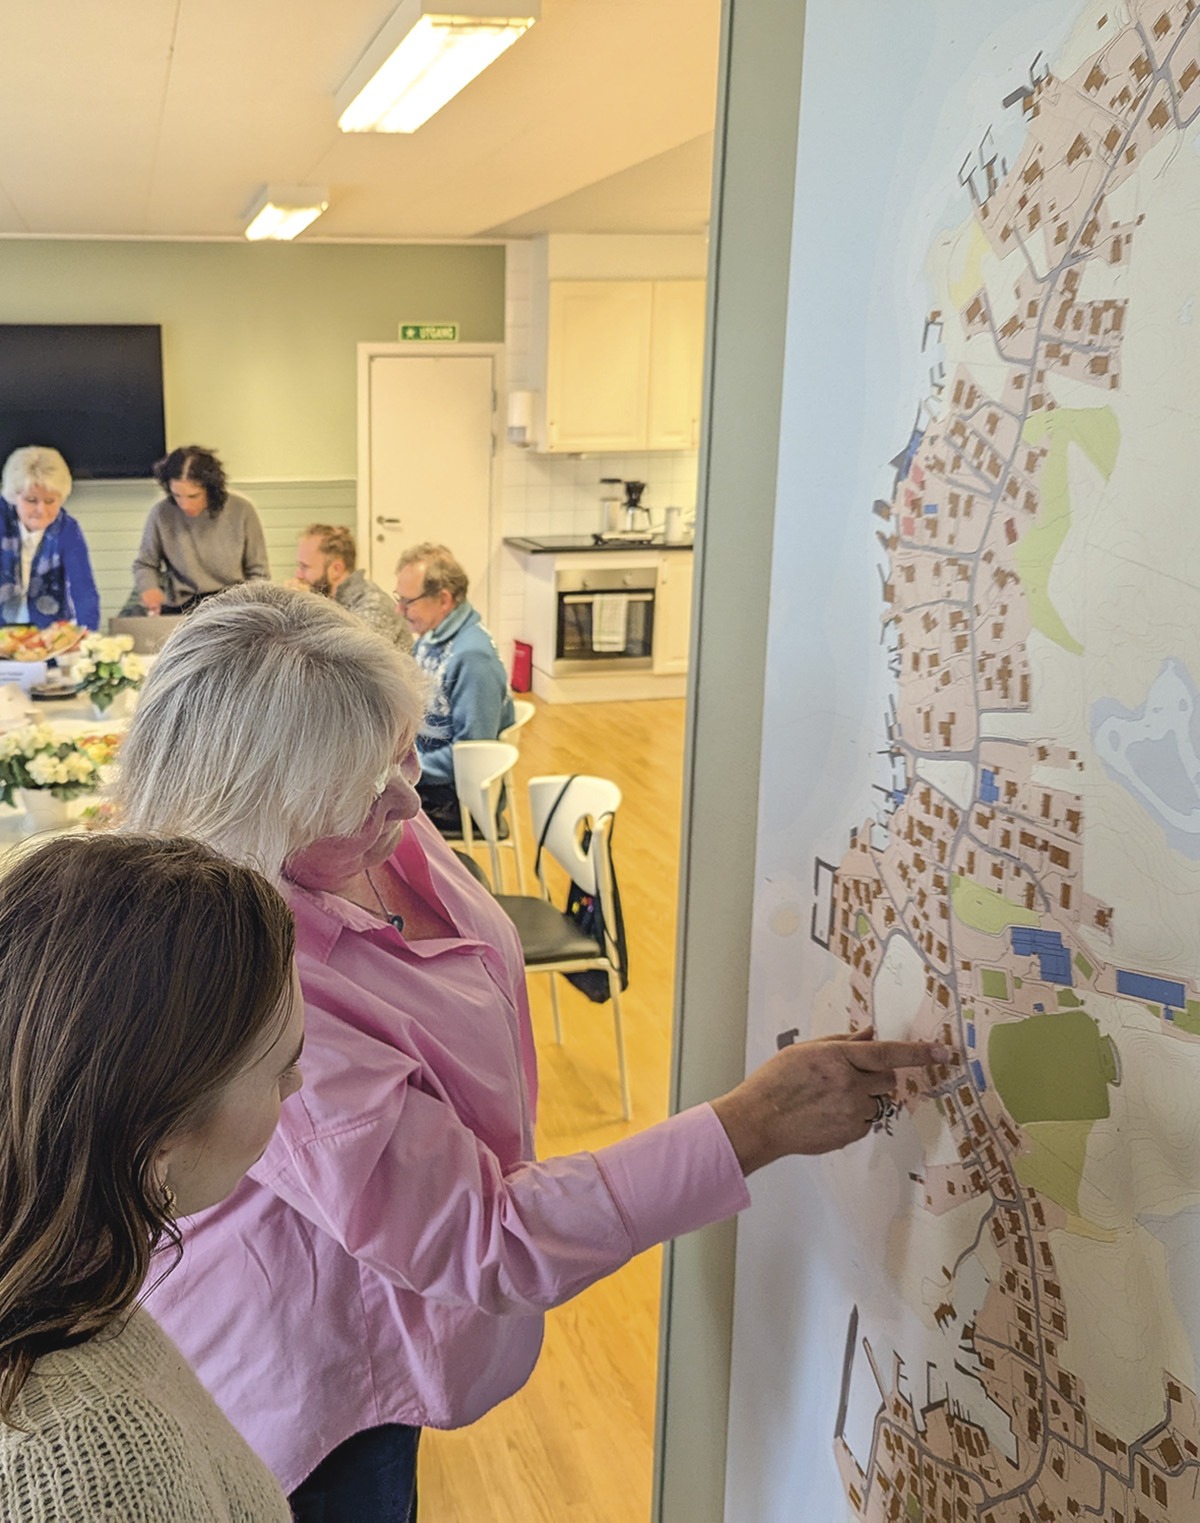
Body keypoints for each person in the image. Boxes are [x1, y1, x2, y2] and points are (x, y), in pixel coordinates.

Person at [115, 583, 949, 1521]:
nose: (406, 796)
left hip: (384, 1305)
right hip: (305, 1370)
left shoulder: (363, 817)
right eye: (365, 785)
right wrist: (753, 1124)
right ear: (258, 811)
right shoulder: (258, 978)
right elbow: (485, 1237)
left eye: (401, 753)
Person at [0, 831, 303, 1522]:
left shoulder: (73, 1285)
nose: (299, 1083)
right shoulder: (95, 1472)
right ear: (154, 1142)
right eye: (280, 1069)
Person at [395, 541, 515, 829]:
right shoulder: (432, 636)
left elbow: (472, 756)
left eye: (408, 601)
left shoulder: (472, 658)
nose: (399, 610)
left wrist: (400, 770)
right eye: (398, 598)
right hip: (425, 769)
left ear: (444, 600)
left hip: (453, 797)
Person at [130, 445, 269, 615]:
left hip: (231, 604)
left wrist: (252, 609)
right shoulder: (161, 513)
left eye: (193, 496)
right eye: (177, 495)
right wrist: (149, 588)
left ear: (210, 489)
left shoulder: (242, 510)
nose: (184, 505)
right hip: (181, 606)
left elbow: (259, 572)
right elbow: (145, 564)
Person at [0, 446, 100, 630]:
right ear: (14, 496)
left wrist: (88, 637)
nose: (41, 510)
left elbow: (84, 590)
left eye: (50, 501)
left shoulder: (67, 528)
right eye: (31, 500)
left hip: (49, 634)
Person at [295, 522, 412, 649]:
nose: (299, 575)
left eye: (305, 567)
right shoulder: (333, 599)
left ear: (336, 569)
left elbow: (339, 657)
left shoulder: (373, 606)